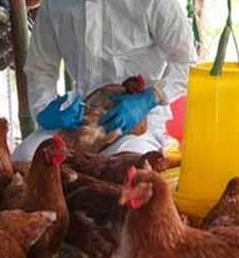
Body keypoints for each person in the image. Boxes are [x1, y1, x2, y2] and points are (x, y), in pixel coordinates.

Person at [11, 0, 198, 162]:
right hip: (79, 119)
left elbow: (187, 61)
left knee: (131, 167)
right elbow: (40, 68)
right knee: (26, 157)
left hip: (138, 122)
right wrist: (44, 109)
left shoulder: (154, 2)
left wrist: (151, 97)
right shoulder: (55, 5)